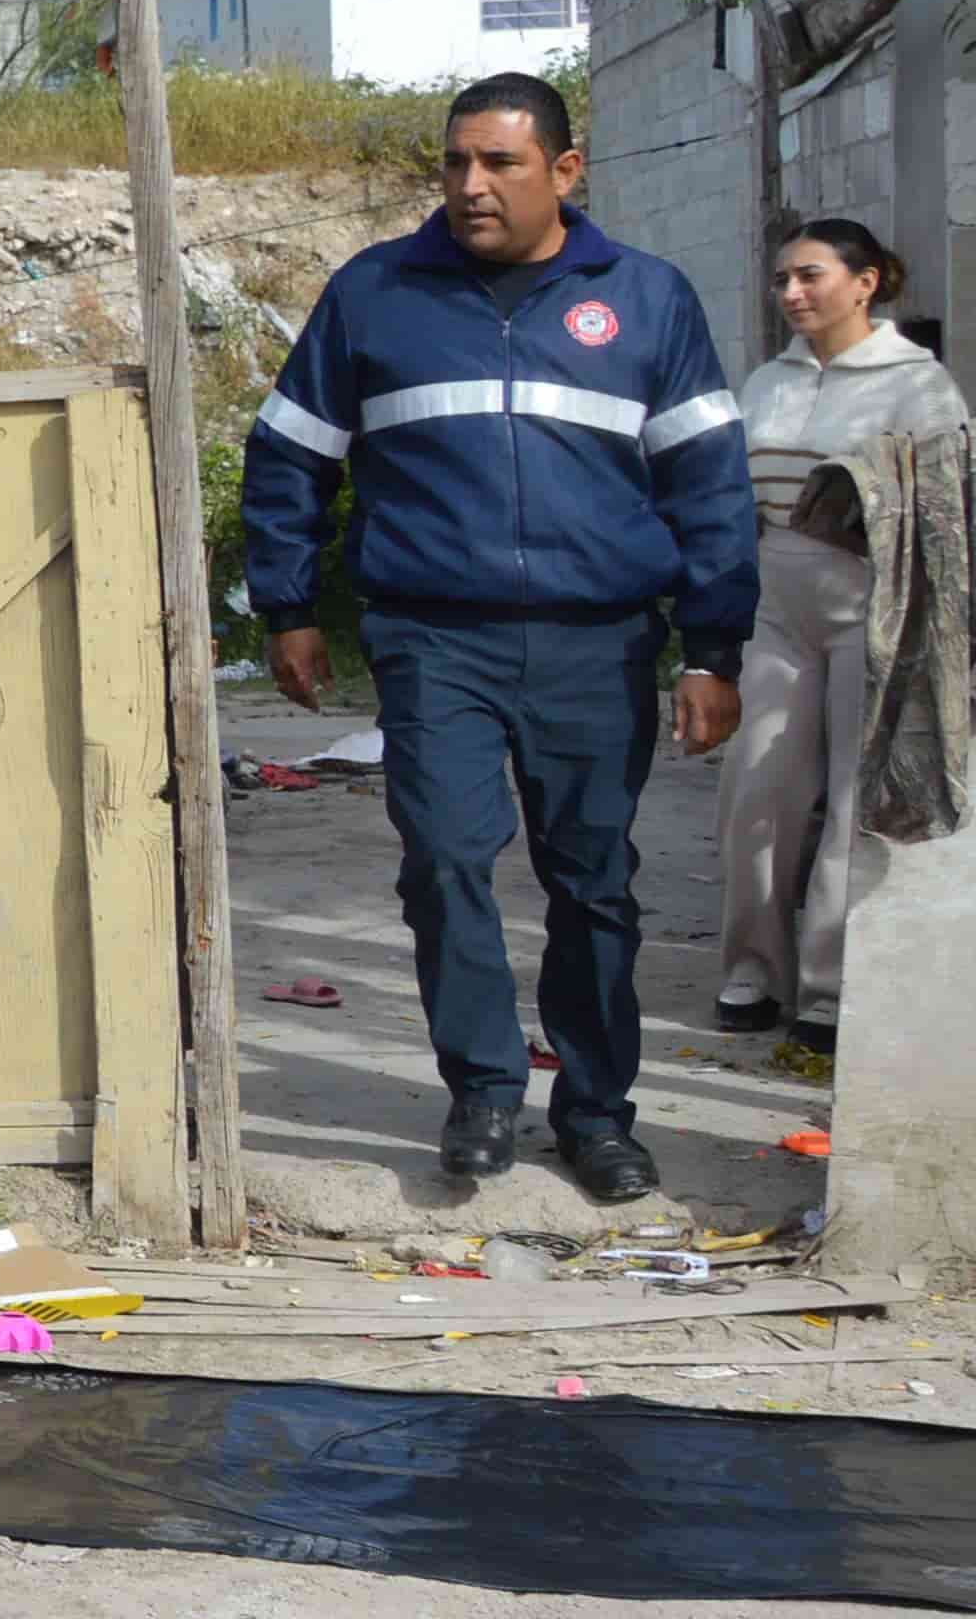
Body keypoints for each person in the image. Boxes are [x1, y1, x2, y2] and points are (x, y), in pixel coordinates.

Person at [244, 74, 755, 1203]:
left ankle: (595, 1112)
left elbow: (708, 482)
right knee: (445, 862)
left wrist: (714, 648)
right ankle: (482, 1091)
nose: (472, 187)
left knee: (594, 883)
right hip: (436, 639)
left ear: (566, 172)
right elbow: (289, 454)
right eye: (456, 163)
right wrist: (287, 607)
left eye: (502, 164)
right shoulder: (377, 294)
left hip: (599, 642)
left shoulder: (648, 300)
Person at [714, 216, 969, 1053]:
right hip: (773, 600)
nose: (791, 293)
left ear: (864, 284)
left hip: (874, 602)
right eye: (784, 277)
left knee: (856, 799)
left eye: (810, 276)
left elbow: (946, 508)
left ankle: (830, 984)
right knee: (757, 788)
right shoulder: (764, 382)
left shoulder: (918, 383)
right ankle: (751, 969)